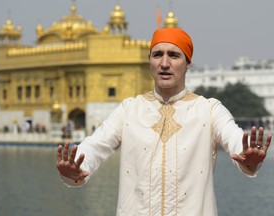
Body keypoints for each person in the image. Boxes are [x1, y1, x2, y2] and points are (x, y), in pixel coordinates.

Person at [56, 28, 272, 216]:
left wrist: (248, 157)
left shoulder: (208, 110)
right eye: (157, 55)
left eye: (174, 55)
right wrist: (77, 168)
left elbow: (234, 138)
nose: (165, 63)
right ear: (150, 61)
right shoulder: (130, 110)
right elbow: (95, 145)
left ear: (187, 63)